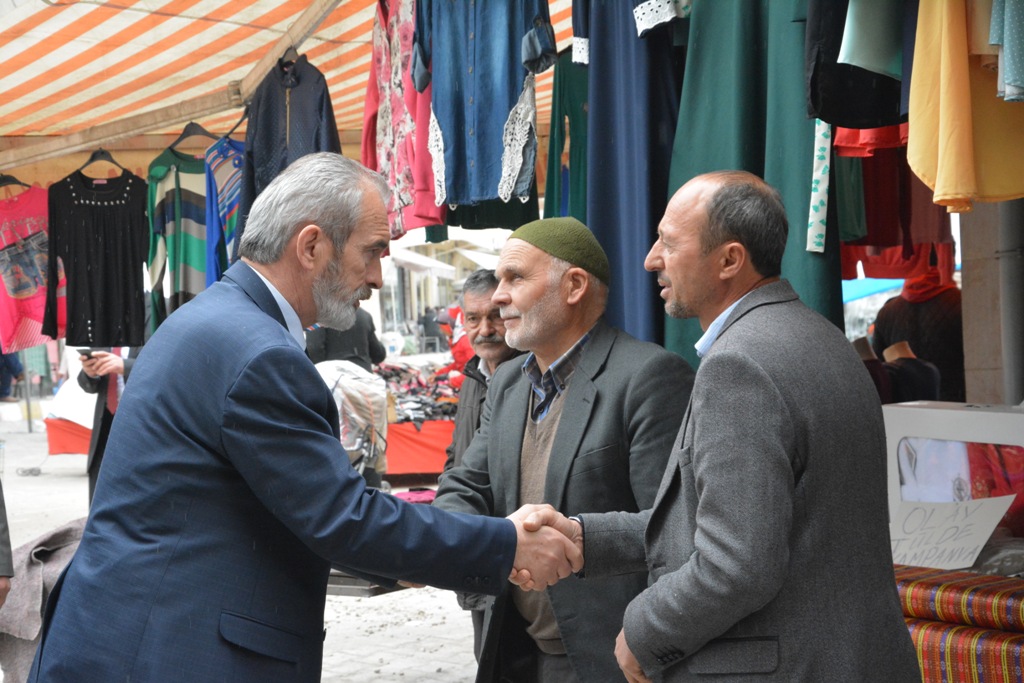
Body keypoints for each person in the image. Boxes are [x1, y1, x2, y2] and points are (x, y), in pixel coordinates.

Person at [28, 153, 580, 683]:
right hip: (171, 652)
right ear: (311, 245)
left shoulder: (220, 320)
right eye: (372, 252)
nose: (378, 278)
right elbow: (343, 520)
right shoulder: (258, 353)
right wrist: (504, 544)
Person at [520, 172, 921, 682]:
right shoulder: (817, 335)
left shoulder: (740, 364)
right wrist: (583, 538)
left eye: (668, 242)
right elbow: (719, 521)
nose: (650, 259)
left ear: (730, 259)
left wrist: (643, 633)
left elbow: (736, 566)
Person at [433, 217, 695, 682]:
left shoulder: (648, 377)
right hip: (513, 649)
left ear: (574, 286)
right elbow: (464, 484)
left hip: (607, 659)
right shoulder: (510, 382)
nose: (497, 296)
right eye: (498, 280)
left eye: (515, 277)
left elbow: (673, 528)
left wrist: (651, 638)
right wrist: (490, 551)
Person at [440, 268, 523, 661]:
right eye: (473, 319)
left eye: (494, 316)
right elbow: (458, 454)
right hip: (476, 544)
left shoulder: (530, 373)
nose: (485, 329)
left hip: (517, 550)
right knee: (486, 653)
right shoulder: (474, 375)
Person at [871, 266, 965, 401]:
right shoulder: (960, 302)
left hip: (906, 404)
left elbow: (879, 366)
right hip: (953, 402)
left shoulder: (886, 312)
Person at [77, 347, 141, 503]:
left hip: (140, 423)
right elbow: (88, 385)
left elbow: (165, 367)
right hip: (106, 423)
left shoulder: (152, 324)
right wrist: (89, 372)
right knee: (102, 496)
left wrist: (125, 366)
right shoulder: (106, 332)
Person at [305, 307, 386, 372]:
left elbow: (314, 348)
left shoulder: (317, 316)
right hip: (363, 382)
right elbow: (378, 355)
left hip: (335, 381)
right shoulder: (364, 316)